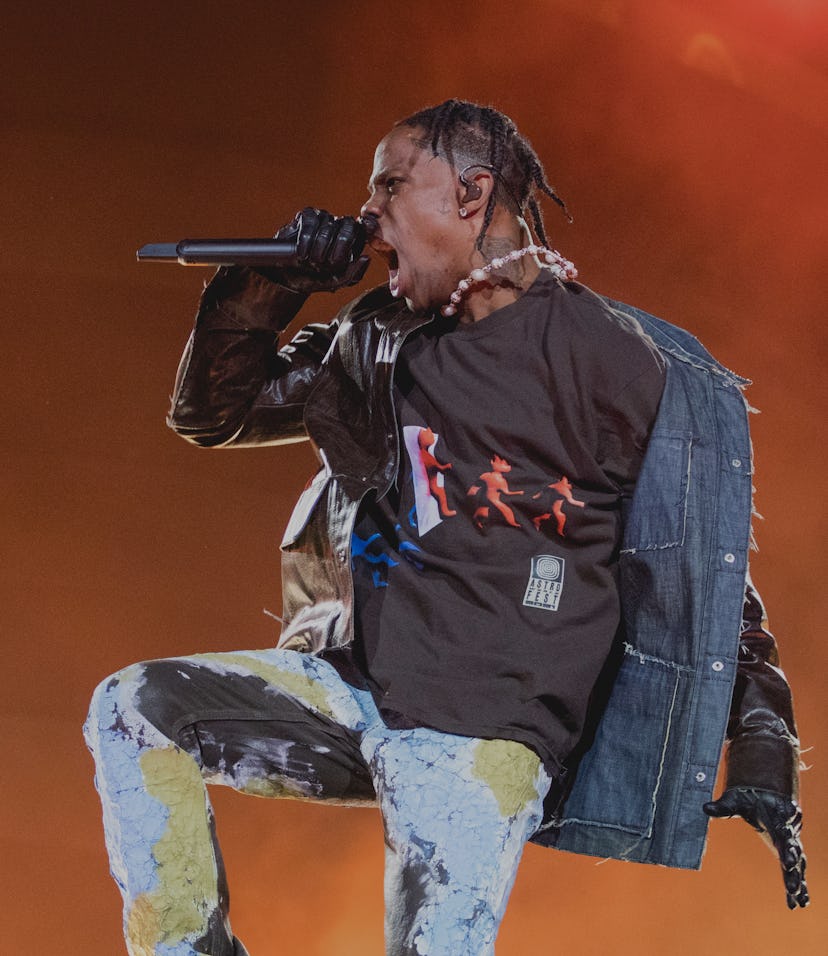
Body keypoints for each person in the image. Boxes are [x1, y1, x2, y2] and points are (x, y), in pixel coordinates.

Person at [84, 100, 808, 956]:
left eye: (389, 186)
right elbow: (215, 414)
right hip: (355, 690)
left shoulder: (614, 361)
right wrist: (271, 283)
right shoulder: (374, 337)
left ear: (472, 193)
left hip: (482, 732)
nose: (368, 214)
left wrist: (764, 747)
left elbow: (704, 581)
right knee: (135, 708)